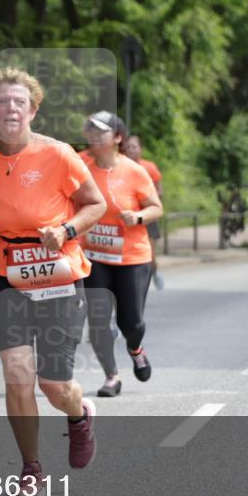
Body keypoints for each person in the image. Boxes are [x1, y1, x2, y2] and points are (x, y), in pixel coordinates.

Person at [0, 67, 106, 496]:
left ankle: (79, 414)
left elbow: (95, 203)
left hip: (58, 272)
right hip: (6, 275)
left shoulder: (59, 154)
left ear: (33, 109)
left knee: (53, 385)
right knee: (17, 374)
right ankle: (31, 469)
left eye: (19, 102)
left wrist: (67, 230)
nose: (11, 108)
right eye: (3, 102)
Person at [80, 113, 163, 397]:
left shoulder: (134, 171)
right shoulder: (80, 164)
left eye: (100, 132)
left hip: (132, 257)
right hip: (94, 256)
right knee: (98, 320)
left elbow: (156, 207)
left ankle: (135, 349)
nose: (93, 136)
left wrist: (138, 217)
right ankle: (111, 377)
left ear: (117, 138)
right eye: (90, 131)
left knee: (132, 322)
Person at [120, 134, 165, 290]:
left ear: (140, 149)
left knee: (150, 253)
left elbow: (159, 191)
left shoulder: (149, 167)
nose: (131, 150)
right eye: (128, 147)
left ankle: (154, 271)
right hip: (126, 218)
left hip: (146, 216)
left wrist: (144, 198)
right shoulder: (119, 167)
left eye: (134, 147)